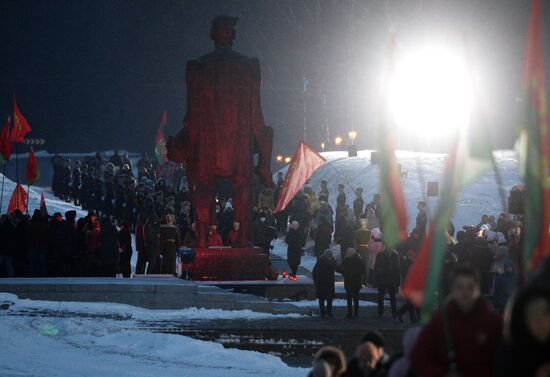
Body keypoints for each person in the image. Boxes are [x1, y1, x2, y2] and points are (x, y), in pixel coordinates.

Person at [410, 265, 503, 377]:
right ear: (452, 289)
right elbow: (418, 358)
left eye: (470, 287)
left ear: (478, 289)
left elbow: (506, 359)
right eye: (459, 287)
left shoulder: (492, 322)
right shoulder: (439, 321)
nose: (465, 292)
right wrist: (440, 374)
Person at [497, 285, 550, 377]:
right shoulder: (512, 356)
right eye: (533, 316)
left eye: (544, 314)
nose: (540, 322)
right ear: (525, 323)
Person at [373, 244, 400, 317]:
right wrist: (398, 281)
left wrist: (375, 280)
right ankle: (393, 312)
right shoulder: (394, 255)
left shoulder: (380, 255)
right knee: (392, 297)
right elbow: (397, 269)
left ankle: (380, 312)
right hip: (390, 279)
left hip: (383, 278)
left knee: (381, 296)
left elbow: (376, 268)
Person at [339, 248, 364, 319]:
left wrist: (343, 272)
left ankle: (350, 313)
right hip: (356, 282)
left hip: (349, 282)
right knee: (356, 299)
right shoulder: (359, 260)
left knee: (349, 299)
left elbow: (341, 269)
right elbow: (362, 270)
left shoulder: (346, 260)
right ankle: (356, 314)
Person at [312, 249, 337, 318]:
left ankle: (325, 313)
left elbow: (314, 272)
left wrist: (316, 281)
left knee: (324, 299)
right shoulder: (332, 261)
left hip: (324, 283)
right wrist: (316, 281)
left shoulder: (321, 261)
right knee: (326, 299)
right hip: (324, 283)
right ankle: (327, 313)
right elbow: (314, 272)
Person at [27, 209, 49, 277]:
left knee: (32, 263)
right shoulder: (44, 224)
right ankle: (43, 275)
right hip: (42, 246)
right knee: (42, 263)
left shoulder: (30, 224)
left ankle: (31, 275)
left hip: (33, 246)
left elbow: (28, 235)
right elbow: (47, 235)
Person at [354, 217, 371, 284]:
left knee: (359, 264)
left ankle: (360, 279)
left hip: (360, 249)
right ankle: (366, 280)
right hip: (367, 249)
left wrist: (355, 250)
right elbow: (371, 241)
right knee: (366, 265)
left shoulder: (357, 232)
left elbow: (355, 242)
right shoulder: (369, 232)